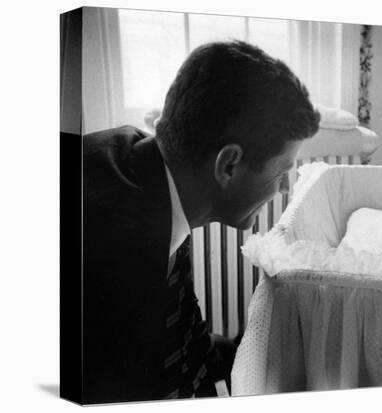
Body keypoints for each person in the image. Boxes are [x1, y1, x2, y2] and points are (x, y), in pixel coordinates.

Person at [83, 40, 320, 404]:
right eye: (282, 172)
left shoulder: (164, 180)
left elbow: (184, 337)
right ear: (229, 165)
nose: (287, 190)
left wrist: (256, 349)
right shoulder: (115, 243)